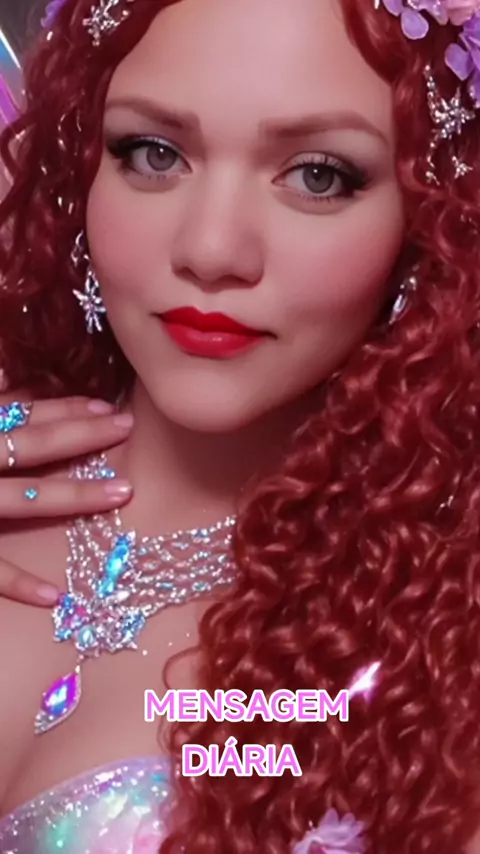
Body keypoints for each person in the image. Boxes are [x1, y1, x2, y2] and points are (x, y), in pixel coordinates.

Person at [0, 0, 479, 851]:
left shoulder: (434, 644)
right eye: (154, 153)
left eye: (319, 175)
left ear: (429, 225)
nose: (212, 249)